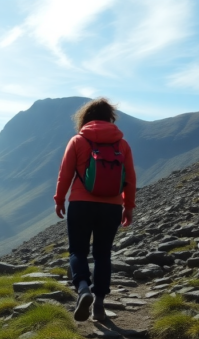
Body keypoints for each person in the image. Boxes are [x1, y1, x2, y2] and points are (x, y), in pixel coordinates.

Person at [53, 97, 136, 322]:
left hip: (81, 204)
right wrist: (128, 206)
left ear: (85, 118)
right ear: (110, 118)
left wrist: (59, 199)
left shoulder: (78, 141)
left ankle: (83, 289)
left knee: (78, 251)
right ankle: (99, 305)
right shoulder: (122, 144)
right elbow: (129, 178)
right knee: (102, 254)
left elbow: (65, 174)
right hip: (111, 206)